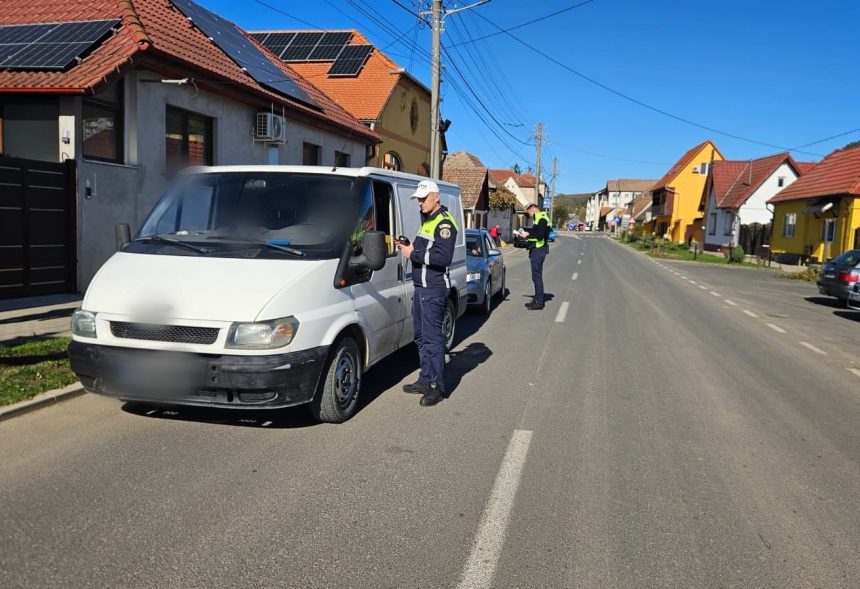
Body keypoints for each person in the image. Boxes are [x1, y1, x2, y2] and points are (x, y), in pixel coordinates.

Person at [396, 180, 459, 407]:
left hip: (434, 289)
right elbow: (425, 250)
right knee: (421, 337)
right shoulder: (429, 221)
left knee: (433, 340)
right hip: (421, 288)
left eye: (424, 198)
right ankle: (425, 379)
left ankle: (437, 387)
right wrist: (409, 246)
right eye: (418, 199)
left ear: (436, 197)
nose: (420, 202)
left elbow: (443, 258)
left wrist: (412, 253)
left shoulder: (444, 223)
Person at [520, 203, 550, 310]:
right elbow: (536, 231)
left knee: (537, 277)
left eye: (529, 214)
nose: (530, 216)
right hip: (536, 250)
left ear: (533, 211)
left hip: (538, 250)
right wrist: (527, 233)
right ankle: (537, 299)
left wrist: (527, 235)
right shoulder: (539, 218)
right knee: (536, 276)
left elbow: (539, 235)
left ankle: (539, 302)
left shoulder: (541, 219)